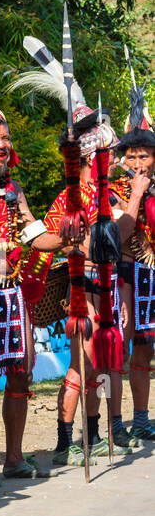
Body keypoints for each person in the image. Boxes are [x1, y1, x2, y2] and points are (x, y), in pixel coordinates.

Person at [0, 85, 70, 482]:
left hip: (12, 292)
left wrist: (67, 236)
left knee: (21, 372)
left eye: (5, 137)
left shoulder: (15, 190)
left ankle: (15, 458)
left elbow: (34, 234)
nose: (2, 144)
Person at [42, 107, 128, 465]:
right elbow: (46, 239)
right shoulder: (68, 200)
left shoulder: (108, 198)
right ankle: (65, 442)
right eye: (105, 158)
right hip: (80, 286)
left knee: (102, 365)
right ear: (91, 160)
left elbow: (122, 243)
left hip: (107, 286)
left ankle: (92, 434)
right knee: (80, 366)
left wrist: (121, 296)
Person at [113, 85, 155, 442]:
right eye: (133, 157)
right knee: (120, 348)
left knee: (145, 351)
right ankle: (114, 425)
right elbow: (118, 235)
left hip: (152, 277)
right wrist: (135, 195)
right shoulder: (112, 190)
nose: (139, 164)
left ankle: (141, 420)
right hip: (126, 276)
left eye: (145, 156)